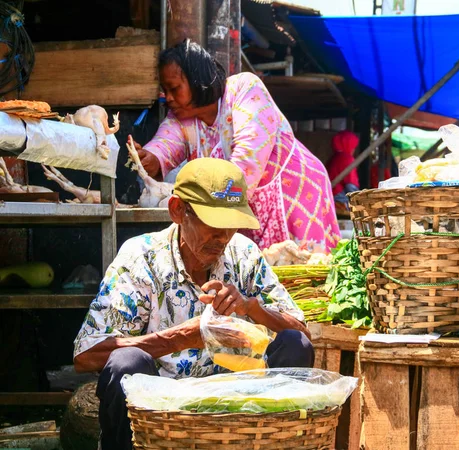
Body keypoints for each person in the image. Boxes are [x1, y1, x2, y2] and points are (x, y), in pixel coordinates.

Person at [73, 158, 313, 450]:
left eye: (232, 225)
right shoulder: (141, 258)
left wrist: (251, 308)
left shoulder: (244, 254)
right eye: (213, 223)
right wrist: (182, 337)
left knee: (294, 343)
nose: (223, 237)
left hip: (238, 410)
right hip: (160, 412)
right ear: (178, 211)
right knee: (126, 363)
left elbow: (302, 331)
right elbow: (86, 355)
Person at [131, 39, 341, 251]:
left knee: (302, 270)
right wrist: (151, 159)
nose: (168, 98)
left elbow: (247, 158)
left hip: (293, 192)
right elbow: (164, 144)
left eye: (174, 88)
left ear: (197, 80)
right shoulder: (181, 117)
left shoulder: (244, 88)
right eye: (165, 90)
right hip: (240, 204)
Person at [325, 130, 360, 211]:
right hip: (340, 200)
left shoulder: (333, 158)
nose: (353, 150)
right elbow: (351, 186)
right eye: (353, 147)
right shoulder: (347, 159)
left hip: (329, 198)